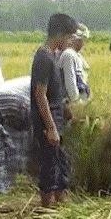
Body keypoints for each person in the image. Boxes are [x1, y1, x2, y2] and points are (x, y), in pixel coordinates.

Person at [31, 13, 78, 206]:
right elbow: (40, 94)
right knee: (50, 165)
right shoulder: (43, 58)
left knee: (60, 162)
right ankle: (47, 209)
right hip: (47, 121)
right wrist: (50, 127)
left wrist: (64, 108)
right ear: (59, 34)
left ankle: (61, 204)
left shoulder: (53, 57)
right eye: (69, 37)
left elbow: (52, 91)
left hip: (56, 117)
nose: (70, 42)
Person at [59, 23, 91, 105]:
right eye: (83, 39)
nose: (83, 43)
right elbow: (70, 81)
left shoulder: (75, 55)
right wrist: (76, 101)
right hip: (73, 102)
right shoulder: (69, 54)